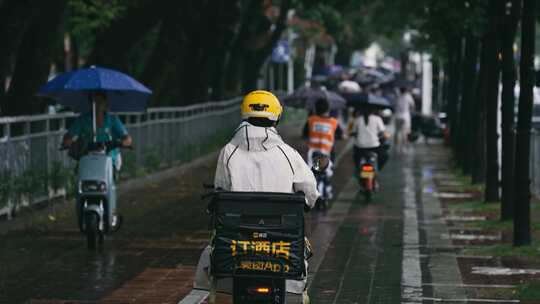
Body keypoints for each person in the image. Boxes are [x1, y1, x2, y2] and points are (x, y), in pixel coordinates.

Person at [194, 90, 318, 301]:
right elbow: (311, 194)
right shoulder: (288, 154)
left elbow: (221, 190)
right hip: (282, 246)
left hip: (236, 244)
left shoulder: (229, 151)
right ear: (277, 117)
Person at [62, 91, 132, 226]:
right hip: (87, 159)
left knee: (109, 184)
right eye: (94, 101)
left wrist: (122, 143)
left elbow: (127, 138)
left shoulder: (112, 120)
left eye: (100, 101)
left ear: (105, 103)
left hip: (108, 158)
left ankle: (112, 213)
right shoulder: (83, 120)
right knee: (80, 183)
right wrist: (68, 141)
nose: (97, 105)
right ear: (90, 103)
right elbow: (68, 137)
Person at [306, 98, 339, 199]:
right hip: (327, 154)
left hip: (313, 154)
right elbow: (340, 134)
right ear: (328, 109)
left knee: (312, 174)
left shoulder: (311, 120)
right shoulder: (333, 122)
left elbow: (304, 133)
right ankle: (327, 191)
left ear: (316, 108)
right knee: (327, 173)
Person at [349, 106, 390, 174]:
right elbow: (383, 133)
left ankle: (358, 171)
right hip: (374, 147)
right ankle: (377, 170)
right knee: (385, 156)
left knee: (356, 158)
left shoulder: (357, 119)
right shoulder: (377, 119)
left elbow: (353, 133)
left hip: (360, 147)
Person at [394, 86, 415, 154]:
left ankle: (397, 148)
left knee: (397, 132)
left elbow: (394, 105)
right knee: (405, 133)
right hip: (405, 117)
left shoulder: (397, 96)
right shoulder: (408, 96)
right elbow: (412, 105)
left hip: (397, 116)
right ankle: (403, 148)